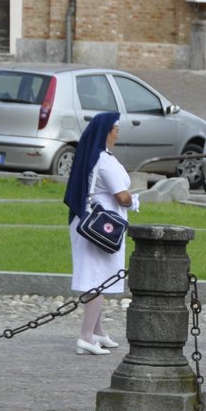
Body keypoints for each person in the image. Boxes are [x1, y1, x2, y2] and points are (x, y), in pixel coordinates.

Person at [64, 110, 134, 356]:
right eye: (115, 130)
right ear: (106, 132)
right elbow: (122, 196)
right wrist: (133, 200)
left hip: (88, 223)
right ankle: (85, 336)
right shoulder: (103, 160)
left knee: (97, 278)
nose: (117, 134)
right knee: (97, 281)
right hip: (100, 228)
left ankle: (97, 330)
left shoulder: (96, 156)